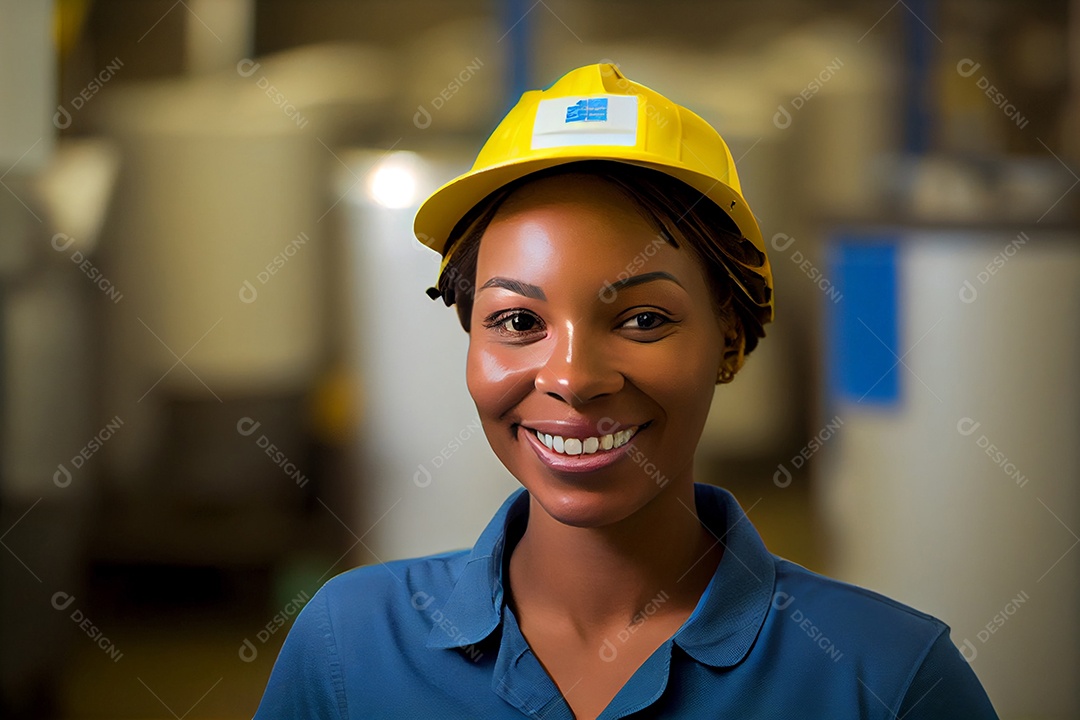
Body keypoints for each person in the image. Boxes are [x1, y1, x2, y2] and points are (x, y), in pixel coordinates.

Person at [252, 63, 999, 719]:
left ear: (730, 342)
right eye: (518, 319)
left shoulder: (887, 681)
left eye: (643, 319)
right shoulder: (349, 651)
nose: (574, 380)